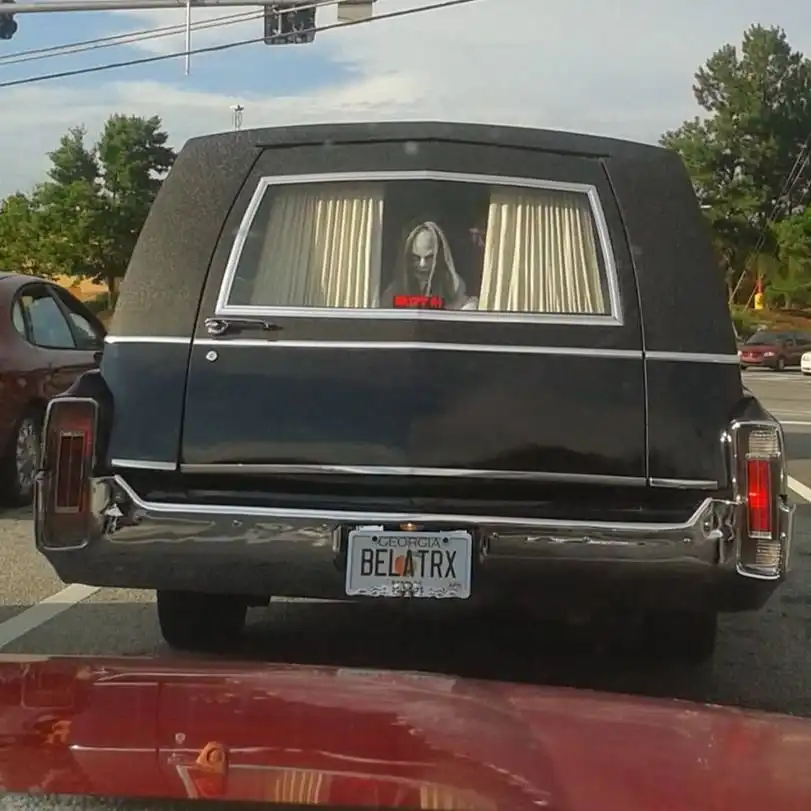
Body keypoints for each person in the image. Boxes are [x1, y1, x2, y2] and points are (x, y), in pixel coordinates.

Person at [381, 221, 479, 310]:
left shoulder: (454, 290)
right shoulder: (394, 293)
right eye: (416, 258)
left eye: (429, 257)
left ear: (439, 257)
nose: (422, 265)